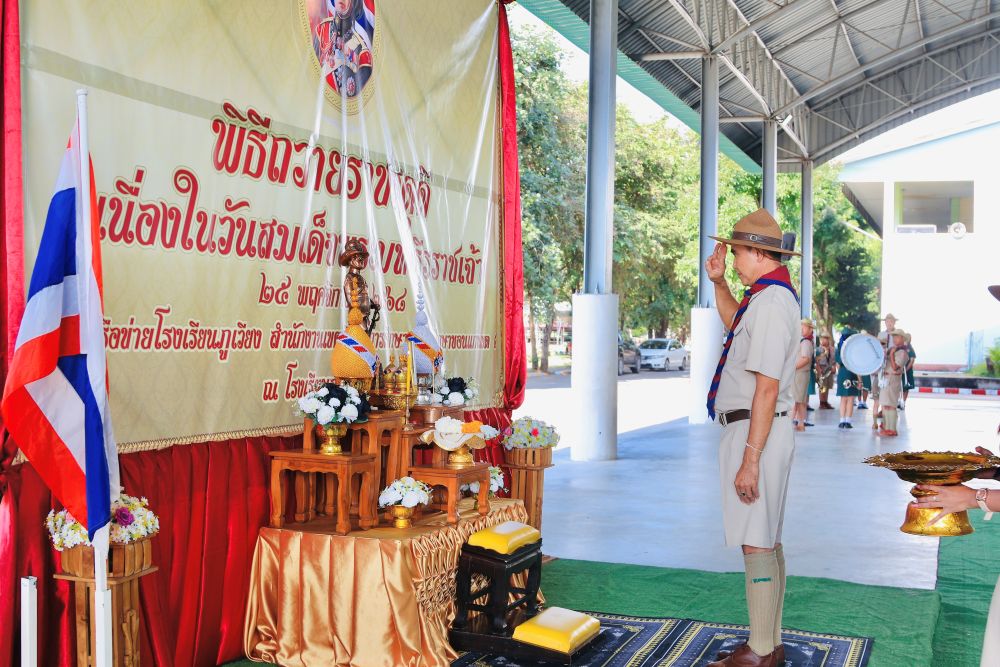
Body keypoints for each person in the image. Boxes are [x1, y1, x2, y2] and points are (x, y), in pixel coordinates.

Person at [704, 208, 800, 667]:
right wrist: (719, 283)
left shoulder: (772, 302)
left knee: (757, 540)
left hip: (756, 429)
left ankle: (761, 651)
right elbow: (734, 327)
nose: (734, 260)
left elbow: (766, 388)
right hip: (753, 428)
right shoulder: (763, 298)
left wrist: (750, 459)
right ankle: (768, 643)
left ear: (759, 253)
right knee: (764, 537)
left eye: (738, 252)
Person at [879, 329, 909, 437]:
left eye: (897, 337)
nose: (895, 339)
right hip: (886, 378)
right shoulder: (893, 349)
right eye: (894, 337)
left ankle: (892, 429)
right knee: (885, 404)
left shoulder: (903, 352)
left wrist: (891, 355)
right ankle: (886, 427)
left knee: (891, 405)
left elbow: (895, 367)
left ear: (902, 338)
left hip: (893, 379)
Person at [835, 327, 859, 429]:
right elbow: (857, 364)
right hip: (852, 372)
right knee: (850, 398)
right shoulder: (854, 348)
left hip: (842, 373)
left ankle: (842, 421)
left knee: (843, 398)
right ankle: (848, 421)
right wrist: (860, 381)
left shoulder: (839, 347)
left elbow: (837, 364)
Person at [792, 319, 814, 432]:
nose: (801, 329)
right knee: (800, 400)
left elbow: (805, 359)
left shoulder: (805, 342)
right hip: (800, 373)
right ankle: (800, 424)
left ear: (810, 329)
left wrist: (792, 367)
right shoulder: (804, 341)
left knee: (795, 400)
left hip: (800, 373)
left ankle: (790, 424)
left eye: (804, 327)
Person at [815, 333, 835, 409]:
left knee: (827, 386)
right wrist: (818, 369)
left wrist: (834, 367)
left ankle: (825, 402)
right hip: (821, 369)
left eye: (826, 338)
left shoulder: (832, 349)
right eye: (822, 338)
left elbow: (834, 360)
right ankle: (822, 402)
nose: (824, 340)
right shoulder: (818, 349)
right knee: (822, 387)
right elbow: (816, 360)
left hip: (829, 370)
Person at [902, 332, 916, 408]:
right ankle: (899, 401)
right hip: (900, 370)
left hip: (907, 372)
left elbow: (912, 360)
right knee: (900, 387)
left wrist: (906, 370)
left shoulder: (910, 348)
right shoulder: (901, 347)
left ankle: (903, 402)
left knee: (906, 387)